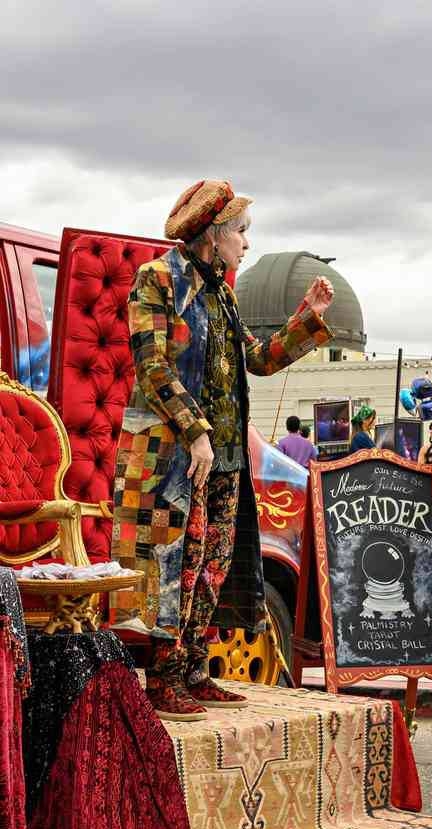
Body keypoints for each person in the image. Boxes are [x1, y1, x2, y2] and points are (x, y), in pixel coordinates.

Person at [110, 179, 335, 721]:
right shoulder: (158, 279)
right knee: (174, 562)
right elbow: (153, 364)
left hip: (226, 454)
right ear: (213, 233)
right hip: (174, 454)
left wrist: (307, 317)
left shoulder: (222, 292)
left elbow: (256, 360)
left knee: (212, 565)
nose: (246, 244)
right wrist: (195, 431)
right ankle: (161, 677)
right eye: (241, 232)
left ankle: (191, 667)